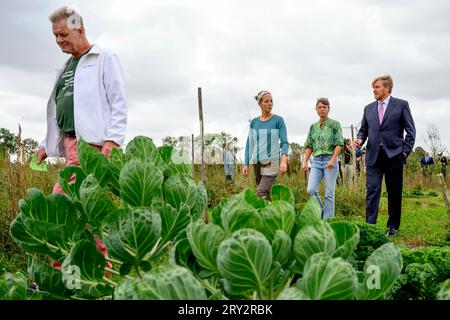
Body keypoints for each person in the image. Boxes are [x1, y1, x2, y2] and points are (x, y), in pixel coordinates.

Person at [35, 6, 127, 266]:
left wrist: (113, 139)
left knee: (60, 205)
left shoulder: (104, 58)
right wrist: (45, 145)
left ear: (80, 29)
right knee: (84, 211)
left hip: (91, 148)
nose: (59, 40)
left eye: (63, 34)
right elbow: (59, 111)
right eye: (55, 36)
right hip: (70, 145)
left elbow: (118, 101)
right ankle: (102, 272)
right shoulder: (64, 68)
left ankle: (55, 272)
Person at [353, 75, 415, 237]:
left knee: (394, 192)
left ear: (387, 88)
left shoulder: (401, 105)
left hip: (394, 156)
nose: (374, 90)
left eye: (377, 87)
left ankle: (392, 227)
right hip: (373, 156)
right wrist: (359, 139)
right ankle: (370, 226)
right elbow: (363, 130)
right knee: (372, 190)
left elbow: (411, 131)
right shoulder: (368, 108)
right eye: (373, 87)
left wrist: (404, 152)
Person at [302, 98, 344, 219]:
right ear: (316, 109)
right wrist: (305, 161)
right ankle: (321, 213)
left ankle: (327, 220)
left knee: (329, 193)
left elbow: (339, 144)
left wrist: (333, 159)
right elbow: (309, 145)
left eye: (324, 107)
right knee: (311, 189)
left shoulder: (334, 124)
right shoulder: (313, 127)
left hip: (330, 159)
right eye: (319, 107)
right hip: (316, 161)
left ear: (328, 109)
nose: (322, 109)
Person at [243, 91, 289, 199]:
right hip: (257, 162)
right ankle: (272, 214)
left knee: (260, 192)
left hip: (272, 161)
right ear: (260, 104)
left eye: (271, 101)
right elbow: (250, 143)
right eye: (266, 101)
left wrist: (283, 160)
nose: (270, 103)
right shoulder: (254, 122)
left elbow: (284, 142)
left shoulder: (278, 120)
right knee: (266, 196)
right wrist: (246, 163)